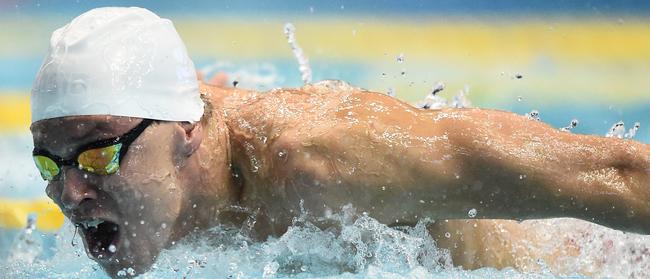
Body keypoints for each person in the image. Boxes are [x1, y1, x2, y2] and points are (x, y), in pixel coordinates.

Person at [29, 7, 650, 277]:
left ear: (186, 132)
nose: (71, 191)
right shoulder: (152, 154)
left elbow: (620, 174)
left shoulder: (324, 159)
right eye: (49, 162)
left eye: (97, 152)